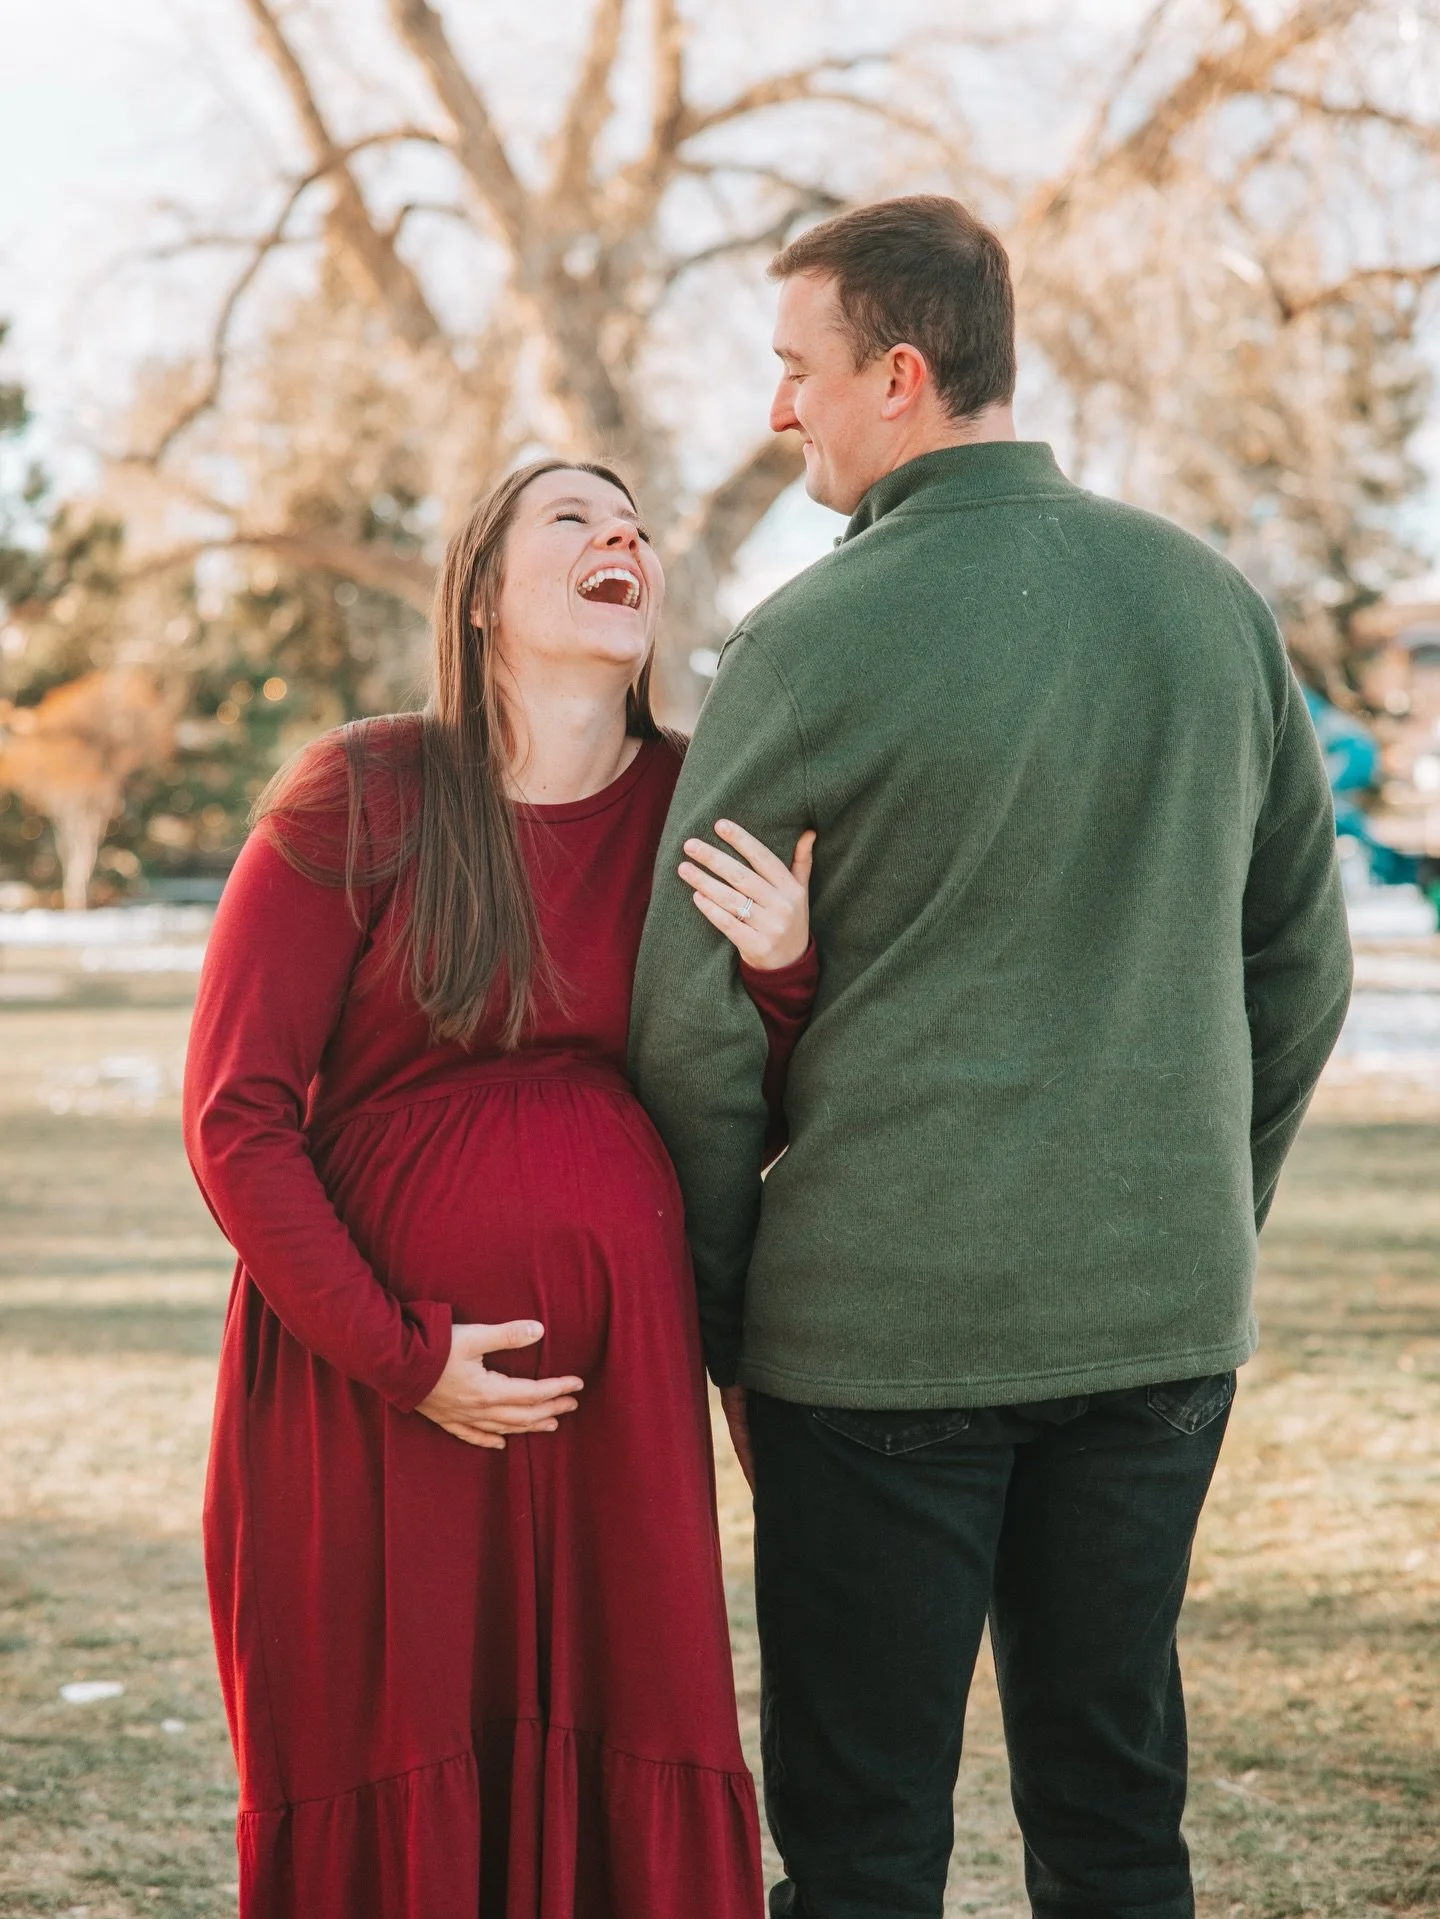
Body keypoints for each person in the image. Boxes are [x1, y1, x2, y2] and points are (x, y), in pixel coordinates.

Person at [629, 197, 1353, 1919]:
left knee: (867, 1843)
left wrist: (729, 1305)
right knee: (1117, 1823)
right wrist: (1197, 1206)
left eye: (797, 372)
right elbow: (1303, 970)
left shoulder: (811, 639)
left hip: (878, 1344)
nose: (779, 412)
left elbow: (687, 1024)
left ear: (898, 371)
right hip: (1160, 1319)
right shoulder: (1210, 605)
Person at [183, 459, 818, 1919]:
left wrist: (787, 967)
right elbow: (237, 1113)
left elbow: (760, 1098)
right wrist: (399, 1355)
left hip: (617, 1407)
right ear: (480, 596)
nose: (625, 538)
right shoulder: (372, 785)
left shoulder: (690, 801)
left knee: (625, 1744)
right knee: (398, 1744)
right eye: (573, 518)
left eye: (634, 525)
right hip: (370, 1395)